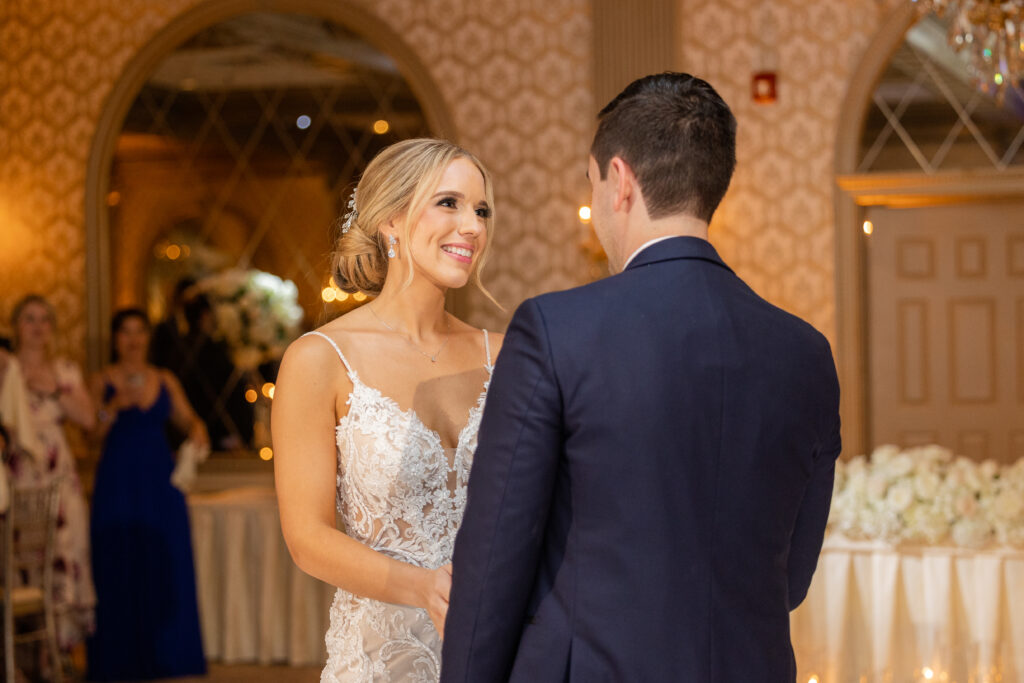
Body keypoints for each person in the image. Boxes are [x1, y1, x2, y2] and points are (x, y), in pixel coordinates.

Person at [441, 72, 842, 682]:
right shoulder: (806, 351)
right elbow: (792, 574)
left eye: (592, 182)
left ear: (620, 182)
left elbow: (496, 557)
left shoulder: (556, 330)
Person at [273, 138, 502, 682]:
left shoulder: (507, 353)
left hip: (493, 652)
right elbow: (307, 537)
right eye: (449, 203)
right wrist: (425, 589)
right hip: (381, 660)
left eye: (481, 210)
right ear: (391, 221)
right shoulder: (319, 360)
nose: (471, 225)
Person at [86, 308, 208, 681]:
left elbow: (189, 420)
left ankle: (168, 654)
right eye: (125, 332)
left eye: (140, 332)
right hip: (117, 485)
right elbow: (89, 436)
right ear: (115, 339)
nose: (133, 340)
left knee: (164, 562)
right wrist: (113, 407)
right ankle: (119, 659)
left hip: (158, 485)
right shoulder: (101, 379)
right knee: (116, 562)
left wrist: (199, 430)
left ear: (148, 338)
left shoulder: (165, 379)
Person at [7, 295, 97, 652]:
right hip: (17, 478)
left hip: (58, 478)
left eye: (44, 319)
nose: (37, 327)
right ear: (16, 326)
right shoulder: (5, 368)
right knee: (20, 559)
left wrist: (55, 390)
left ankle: (56, 653)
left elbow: (89, 420)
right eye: (29, 318)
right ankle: (21, 654)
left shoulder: (65, 371)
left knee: (63, 553)